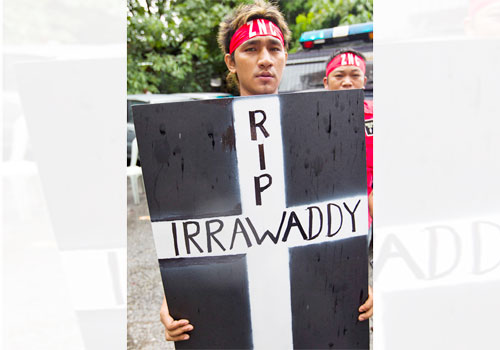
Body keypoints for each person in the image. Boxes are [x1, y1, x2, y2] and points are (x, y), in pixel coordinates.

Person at [161, 0, 372, 342]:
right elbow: (192, 229)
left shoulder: (321, 129)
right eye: (251, 48)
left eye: (275, 48)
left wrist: (359, 284)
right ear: (230, 60)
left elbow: (334, 221)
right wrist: (174, 300)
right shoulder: (202, 137)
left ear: (285, 56)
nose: (265, 59)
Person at [323, 48, 374, 322]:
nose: (347, 81)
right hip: (315, 218)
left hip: (359, 219)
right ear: (325, 82)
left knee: (353, 291)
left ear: (364, 80)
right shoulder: (309, 117)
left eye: (355, 75)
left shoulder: (377, 119)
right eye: (339, 75)